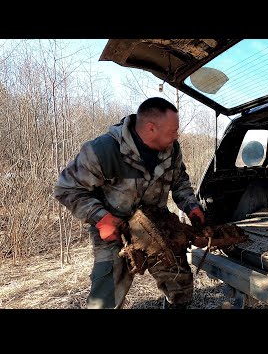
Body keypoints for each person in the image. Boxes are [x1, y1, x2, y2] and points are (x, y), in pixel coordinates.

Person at [54, 97, 205, 309]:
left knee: (180, 286)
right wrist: (101, 218)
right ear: (151, 128)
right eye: (173, 130)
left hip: (158, 227)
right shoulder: (103, 150)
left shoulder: (172, 149)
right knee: (105, 298)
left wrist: (192, 207)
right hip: (115, 230)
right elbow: (66, 188)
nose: (177, 135)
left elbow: (179, 181)